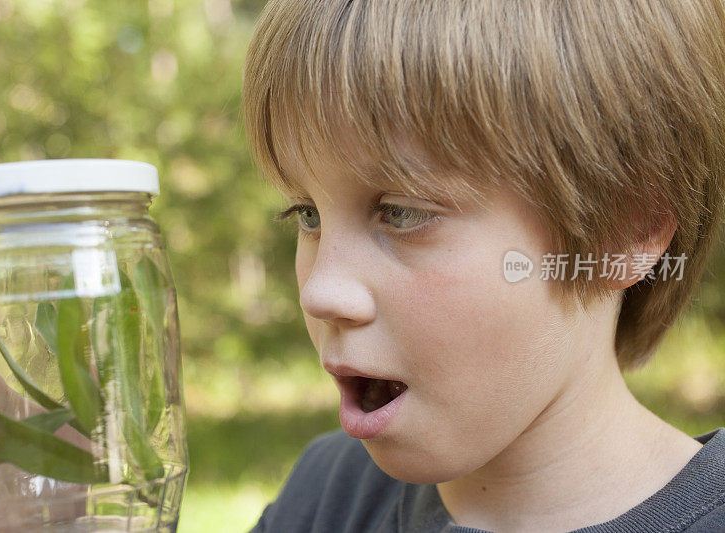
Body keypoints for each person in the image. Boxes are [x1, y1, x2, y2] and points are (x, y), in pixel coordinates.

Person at [239, 0, 725, 531]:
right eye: (308, 213)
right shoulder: (328, 494)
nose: (320, 292)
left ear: (626, 233)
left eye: (403, 212)